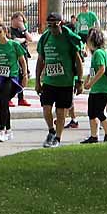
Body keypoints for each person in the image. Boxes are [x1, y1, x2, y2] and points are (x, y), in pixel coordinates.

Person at [35, 12, 83, 148]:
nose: (52, 29)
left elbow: (78, 61)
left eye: (55, 26)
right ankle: (51, 130)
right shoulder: (45, 38)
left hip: (65, 82)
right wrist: (38, 81)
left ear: (60, 23)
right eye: (49, 26)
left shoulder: (69, 38)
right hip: (49, 81)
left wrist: (79, 81)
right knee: (46, 108)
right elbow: (40, 61)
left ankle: (58, 137)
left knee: (61, 111)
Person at [0, 24, 28, 143]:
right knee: (4, 103)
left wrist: (24, 75)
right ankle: (9, 130)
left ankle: (2, 131)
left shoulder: (14, 45)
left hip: (11, 77)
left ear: (5, 31)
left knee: (4, 102)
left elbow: (22, 60)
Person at [80, 29, 107, 143]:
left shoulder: (99, 53)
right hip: (96, 89)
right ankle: (94, 136)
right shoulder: (97, 53)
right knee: (92, 113)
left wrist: (91, 83)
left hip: (102, 88)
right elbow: (94, 69)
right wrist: (88, 79)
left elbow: (101, 69)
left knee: (100, 112)